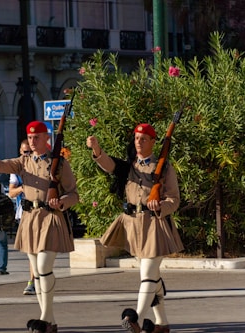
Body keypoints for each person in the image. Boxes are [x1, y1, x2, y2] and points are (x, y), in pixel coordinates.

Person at [0, 121, 79, 333]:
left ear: (47, 138)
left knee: (44, 267)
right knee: (37, 270)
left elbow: (74, 194)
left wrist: (63, 202)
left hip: (51, 218)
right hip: (29, 218)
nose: (33, 141)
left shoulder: (60, 164)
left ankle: (45, 316)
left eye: (37, 137)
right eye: (30, 137)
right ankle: (50, 320)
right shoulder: (23, 162)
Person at [86, 123, 183, 333]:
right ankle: (162, 325)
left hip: (155, 225)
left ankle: (136, 319)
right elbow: (108, 164)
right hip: (133, 224)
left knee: (148, 273)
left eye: (143, 139)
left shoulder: (164, 167)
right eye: (137, 138)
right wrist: (96, 150)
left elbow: (174, 200)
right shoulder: (129, 166)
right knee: (151, 277)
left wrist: (161, 206)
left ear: (153, 142)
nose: (138, 142)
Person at [8, 139, 36, 295]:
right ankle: (34, 280)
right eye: (25, 152)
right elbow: (11, 193)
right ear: (20, 152)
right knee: (31, 250)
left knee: (39, 250)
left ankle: (36, 279)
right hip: (23, 214)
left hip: (41, 212)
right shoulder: (16, 170)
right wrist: (22, 188)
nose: (28, 154)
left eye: (30, 152)